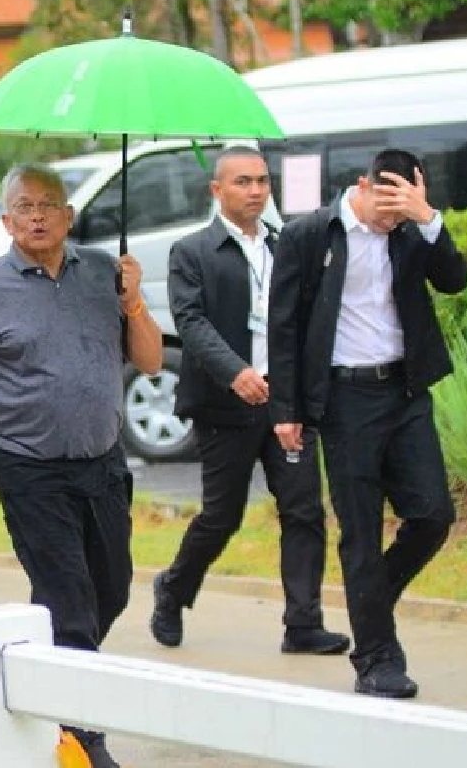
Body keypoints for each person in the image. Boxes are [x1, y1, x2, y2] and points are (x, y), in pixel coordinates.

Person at [0, 163, 163, 768]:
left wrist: (134, 302)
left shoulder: (106, 273)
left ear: (69, 216)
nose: (36, 217)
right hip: (28, 466)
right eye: (24, 207)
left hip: (102, 461)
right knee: (69, 601)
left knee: (111, 588)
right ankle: (81, 738)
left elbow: (150, 361)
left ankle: (41, 681)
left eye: (47, 205)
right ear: (7, 221)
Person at [269, 148, 467, 700]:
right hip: (345, 399)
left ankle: (372, 598)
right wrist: (286, 411)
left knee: (432, 515)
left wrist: (426, 217)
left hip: (405, 392)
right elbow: (284, 326)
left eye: (402, 211)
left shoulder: (412, 229)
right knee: (360, 531)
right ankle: (377, 660)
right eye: (386, 209)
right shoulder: (310, 235)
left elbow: (454, 280)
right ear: (363, 185)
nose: (390, 222)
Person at [150, 147, 349, 656]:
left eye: (262, 181)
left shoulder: (286, 245)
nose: (256, 191)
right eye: (243, 182)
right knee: (223, 515)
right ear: (217, 190)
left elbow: (303, 321)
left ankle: (303, 623)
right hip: (225, 404)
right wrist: (234, 372)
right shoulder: (192, 251)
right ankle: (172, 588)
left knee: (304, 511)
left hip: (284, 403)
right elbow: (191, 321)